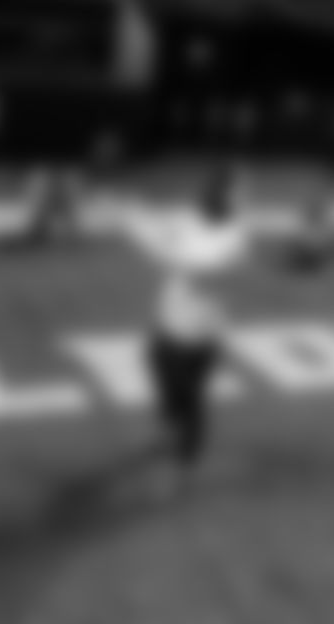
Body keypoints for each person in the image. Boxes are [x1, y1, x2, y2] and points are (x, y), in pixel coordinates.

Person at [95, 175, 255, 497]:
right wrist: (130, 211)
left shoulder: (235, 239)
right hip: (167, 327)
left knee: (190, 400)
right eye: (210, 191)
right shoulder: (190, 219)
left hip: (199, 339)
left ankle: (185, 463)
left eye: (221, 196)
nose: (207, 198)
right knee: (162, 382)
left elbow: (194, 264)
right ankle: (167, 434)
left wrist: (143, 230)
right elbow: (158, 225)